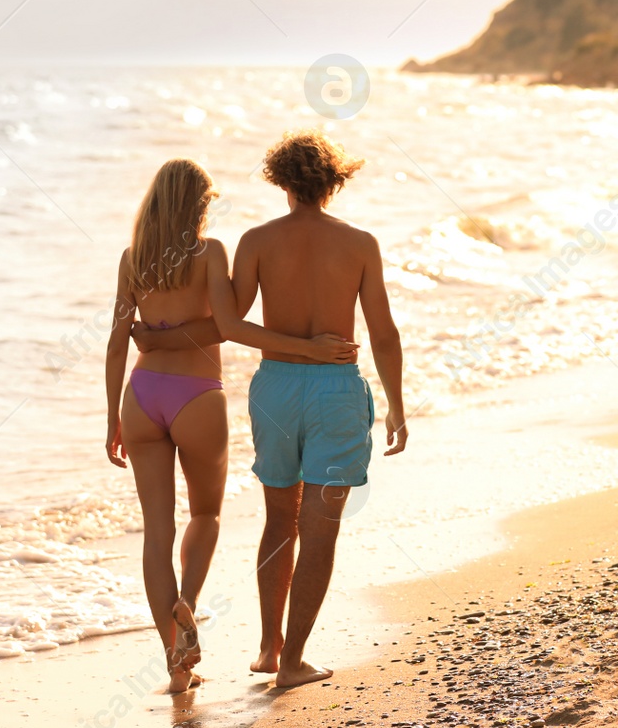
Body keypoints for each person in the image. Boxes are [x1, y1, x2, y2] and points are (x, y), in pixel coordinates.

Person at [135, 131, 407, 689]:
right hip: (334, 389)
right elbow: (383, 333)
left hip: (276, 389)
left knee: (279, 519)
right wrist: (397, 407)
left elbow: (229, 326)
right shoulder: (360, 244)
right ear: (334, 181)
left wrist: (156, 340)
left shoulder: (255, 241)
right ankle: (292, 662)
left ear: (280, 181)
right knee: (321, 529)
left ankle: (266, 647)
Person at [104, 158, 358, 694]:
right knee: (206, 513)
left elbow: (116, 341)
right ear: (199, 204)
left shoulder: (132, 260)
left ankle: (177, 664)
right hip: (196, 397)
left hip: (140, 396)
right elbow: (230, 328)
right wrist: (308, 349)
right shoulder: (211, 253)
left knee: (157, 532)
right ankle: (189, 603)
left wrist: (112, 418)